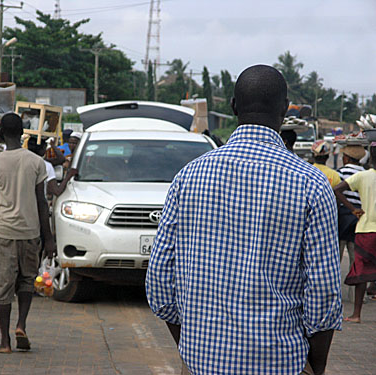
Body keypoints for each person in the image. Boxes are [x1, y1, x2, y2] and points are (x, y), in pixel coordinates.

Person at [146, 65, 342, 375]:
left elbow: (159, 280)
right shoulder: (311, 184)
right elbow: (324, 292)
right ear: (284, 109)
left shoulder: (189, 177)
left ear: (234, 107)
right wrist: (315, 366)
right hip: (280, 362)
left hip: (200, 361)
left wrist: (193, 347)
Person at [0, 113, 56, 354]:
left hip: (4, 230)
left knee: (2, 285)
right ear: (22, 132)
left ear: (1, 133)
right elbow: (42, 202)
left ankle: (4, 341)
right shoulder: (36, 162)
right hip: (30, 231)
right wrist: (49, 239)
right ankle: (21, 325)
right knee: (27, 280)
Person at [334, 143, 376, 322]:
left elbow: (337, 190)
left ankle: (356, 314)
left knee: (361, 272)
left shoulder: (363, 176)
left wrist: (353, 209)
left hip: (365, 229)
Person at [336, 145, 366, 265]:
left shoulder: (342, 172)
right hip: (359, 217)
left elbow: (336, 193)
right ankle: (353, 282)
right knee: (354, 255)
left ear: (347, 158)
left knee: (338, 252)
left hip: (343, 216)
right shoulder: (364, 172)